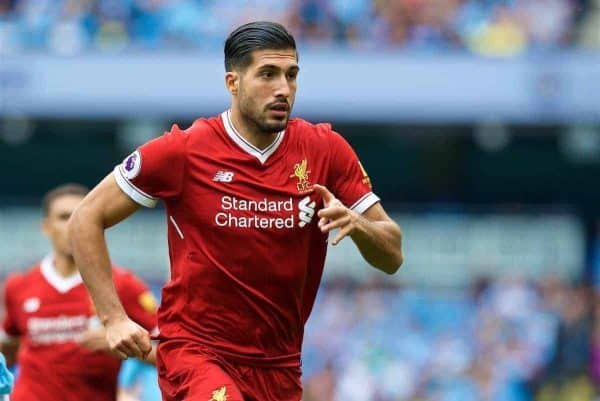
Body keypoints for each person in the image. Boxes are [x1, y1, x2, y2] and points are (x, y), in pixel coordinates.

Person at [68, 21, 403, 401]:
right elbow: (85, 218)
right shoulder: (184, 150)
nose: (283, 89)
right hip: (196, 352)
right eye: (268, 75)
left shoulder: (325, 150)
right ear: (233, 82)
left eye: (291, 75)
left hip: (279, 365)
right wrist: (113, 318)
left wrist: (357, 223)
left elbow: (392, 254)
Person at [0, 184, 158, 401]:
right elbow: (9, 348)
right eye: (64, 217)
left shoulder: (124, 285)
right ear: (46, 227)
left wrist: (128, 345)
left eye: (80, 216)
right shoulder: (19, 286)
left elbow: (172, 354)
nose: (73, 225)